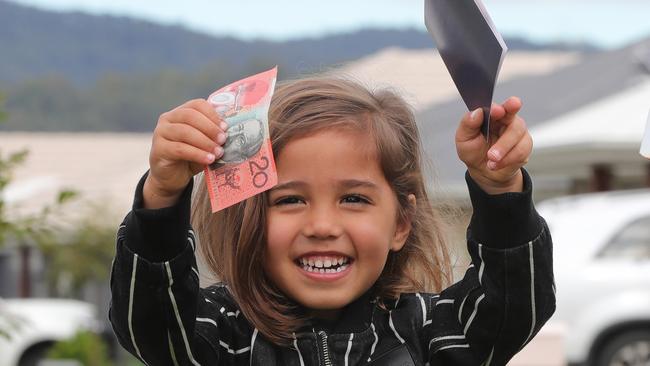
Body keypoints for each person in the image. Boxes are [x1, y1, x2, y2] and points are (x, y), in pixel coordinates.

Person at [109, 77, 555, 365]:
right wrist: (163, 195)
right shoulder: (222, 333)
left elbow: (512, 306)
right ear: (250, 217)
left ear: (401, 222)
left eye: (354, 198)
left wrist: (500, 190)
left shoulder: (432, 333)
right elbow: (152, 324)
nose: (322, 224)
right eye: (289, 200)